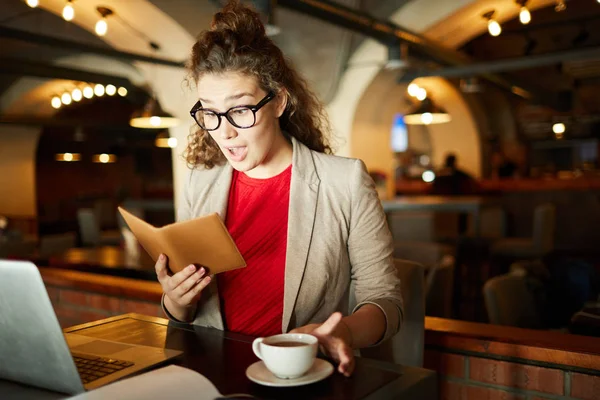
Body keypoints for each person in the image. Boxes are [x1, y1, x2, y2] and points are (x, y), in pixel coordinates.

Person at [156, 0, 403, 377]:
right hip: (212, 373)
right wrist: (175, 301)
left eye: (240, 110)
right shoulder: (200, 183)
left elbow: (386, 302)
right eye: (209, 112)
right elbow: (185, 316)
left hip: (301, 376)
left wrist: (343, 332)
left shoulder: (345, 182)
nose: (224, 131)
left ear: (279, 102)